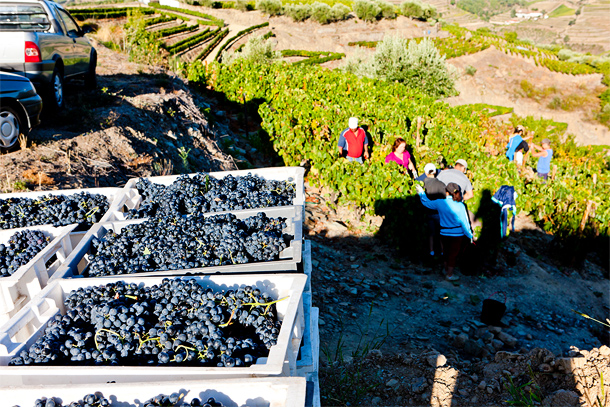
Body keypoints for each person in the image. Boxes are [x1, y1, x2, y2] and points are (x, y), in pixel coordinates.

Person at [416, 182, 473, 281]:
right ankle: (449, 275)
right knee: (453, 255)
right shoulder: (460, 205)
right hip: (457, 234)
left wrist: (421, 192)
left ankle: (446, 270)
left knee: (445, 253)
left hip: (444, 233)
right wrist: (469, 235)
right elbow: (465, 222)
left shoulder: (440, 202)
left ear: (446, 192)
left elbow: (426, 202)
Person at [421, 163, 446, 258]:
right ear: (435, 172)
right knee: (441, 233)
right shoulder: (441, 184)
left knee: (431, 233)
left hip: (428, 212)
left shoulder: (423, 183)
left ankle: (431, 251)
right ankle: (443, 251)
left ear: (426, 172)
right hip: (439, 212)